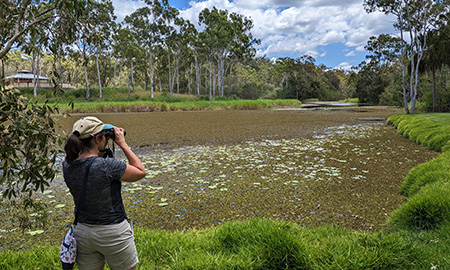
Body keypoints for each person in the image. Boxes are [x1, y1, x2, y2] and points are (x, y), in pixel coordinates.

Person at [63, 116, 146, 270]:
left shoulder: (67, 164)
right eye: (104, 136)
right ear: (97, 138)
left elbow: (88, 161)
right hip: (113, 232)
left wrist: (99, 146)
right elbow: (140, 172)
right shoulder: (107, 166)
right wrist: (122, 143)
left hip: (82, 231)